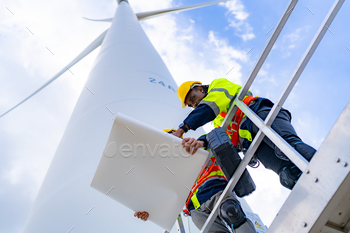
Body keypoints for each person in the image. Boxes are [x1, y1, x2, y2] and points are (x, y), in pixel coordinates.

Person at [172, 78, 316, 190]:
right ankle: (315, 194)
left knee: (289, 148)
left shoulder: (218, 86)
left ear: (199, 88)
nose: (195, 104)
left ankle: (324, 171)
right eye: (192, 105)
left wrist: (183, 128)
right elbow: (218, 135)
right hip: (252, 141)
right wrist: (201, 143)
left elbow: (210, 105)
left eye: (193, 99)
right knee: (288, 175)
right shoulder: (217, 120)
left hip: (257, 114)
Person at [134, 129, 256, 233]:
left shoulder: (198, 147)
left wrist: (201, 142)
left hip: (216, 190)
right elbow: (164, 199)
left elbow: (213, 137)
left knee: (231, 212)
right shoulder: (169, 173)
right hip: (195, 210)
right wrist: (149, 212)